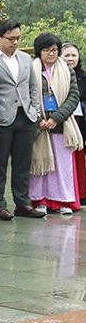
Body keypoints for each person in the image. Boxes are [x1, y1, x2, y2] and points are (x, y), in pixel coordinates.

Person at [0, 20, 41, 220]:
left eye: (18, 38)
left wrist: (34, 111)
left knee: (22, 162)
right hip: (2, 118)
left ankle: (23, 203)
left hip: (26, 116)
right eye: (10, 39)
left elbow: (33, 87)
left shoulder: (26, 59)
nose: (15, 42)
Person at [30, 33, 83, 215]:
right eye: (46, 50)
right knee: (40, 164)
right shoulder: (31, 69)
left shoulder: (68, 71)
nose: (51, 54)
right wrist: (39, 119)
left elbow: (73, 96)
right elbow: (28, 95)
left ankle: (64, 201)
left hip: (61, 125)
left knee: (63, 164)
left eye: (54, 50)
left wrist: (56, 118)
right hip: (39, 126)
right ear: (39, 52)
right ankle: (41, 200)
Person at [64, 43, 86, 207]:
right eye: (67, 55)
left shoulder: (83, 77)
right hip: (60, 121)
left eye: (73, 55)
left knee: (78, 157)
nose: (70, 59)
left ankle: (81, 193)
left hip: (79, 121)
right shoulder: (52, 75)